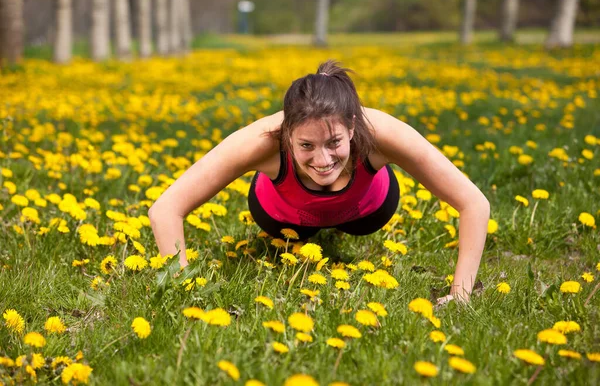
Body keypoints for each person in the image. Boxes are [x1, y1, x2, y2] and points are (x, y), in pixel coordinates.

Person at [149, 60, 490, 303]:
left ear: (353, 128)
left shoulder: (383, 132)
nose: (323, 160)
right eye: (306, 146)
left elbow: (473, 203)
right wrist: (182, 291)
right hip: (282, 217)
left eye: (334, 143)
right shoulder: (259, 140)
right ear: (286, 136)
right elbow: (165, 209)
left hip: (367, 213)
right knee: (293, 231)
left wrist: (460, 294)